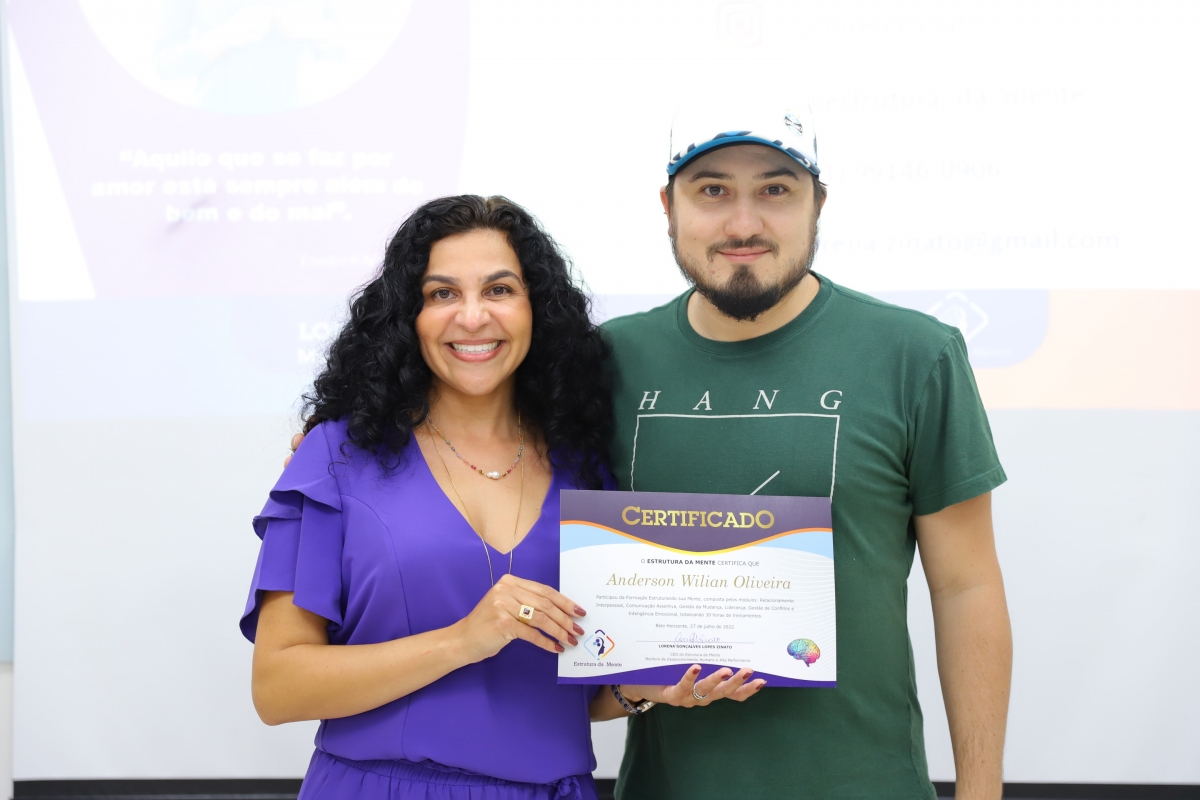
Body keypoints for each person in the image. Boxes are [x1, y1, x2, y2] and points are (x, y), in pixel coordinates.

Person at [242, 195, 763, 800]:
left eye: (499, 290)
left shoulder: (584, 467)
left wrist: (640, 688)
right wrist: (463, 640)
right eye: (442, 293)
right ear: (407, 316)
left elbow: (569, 686)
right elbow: (277, 689)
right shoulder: (335, 457)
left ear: (535, 308)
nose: (472, 317)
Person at [599, 101, 1013, 799]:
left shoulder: (915, 355)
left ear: (818, 204)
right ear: (668, 207)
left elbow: (966, 587)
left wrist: (980, 793)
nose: (743, 224)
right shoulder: (607, 361)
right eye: (712, 190)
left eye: (775, 190)